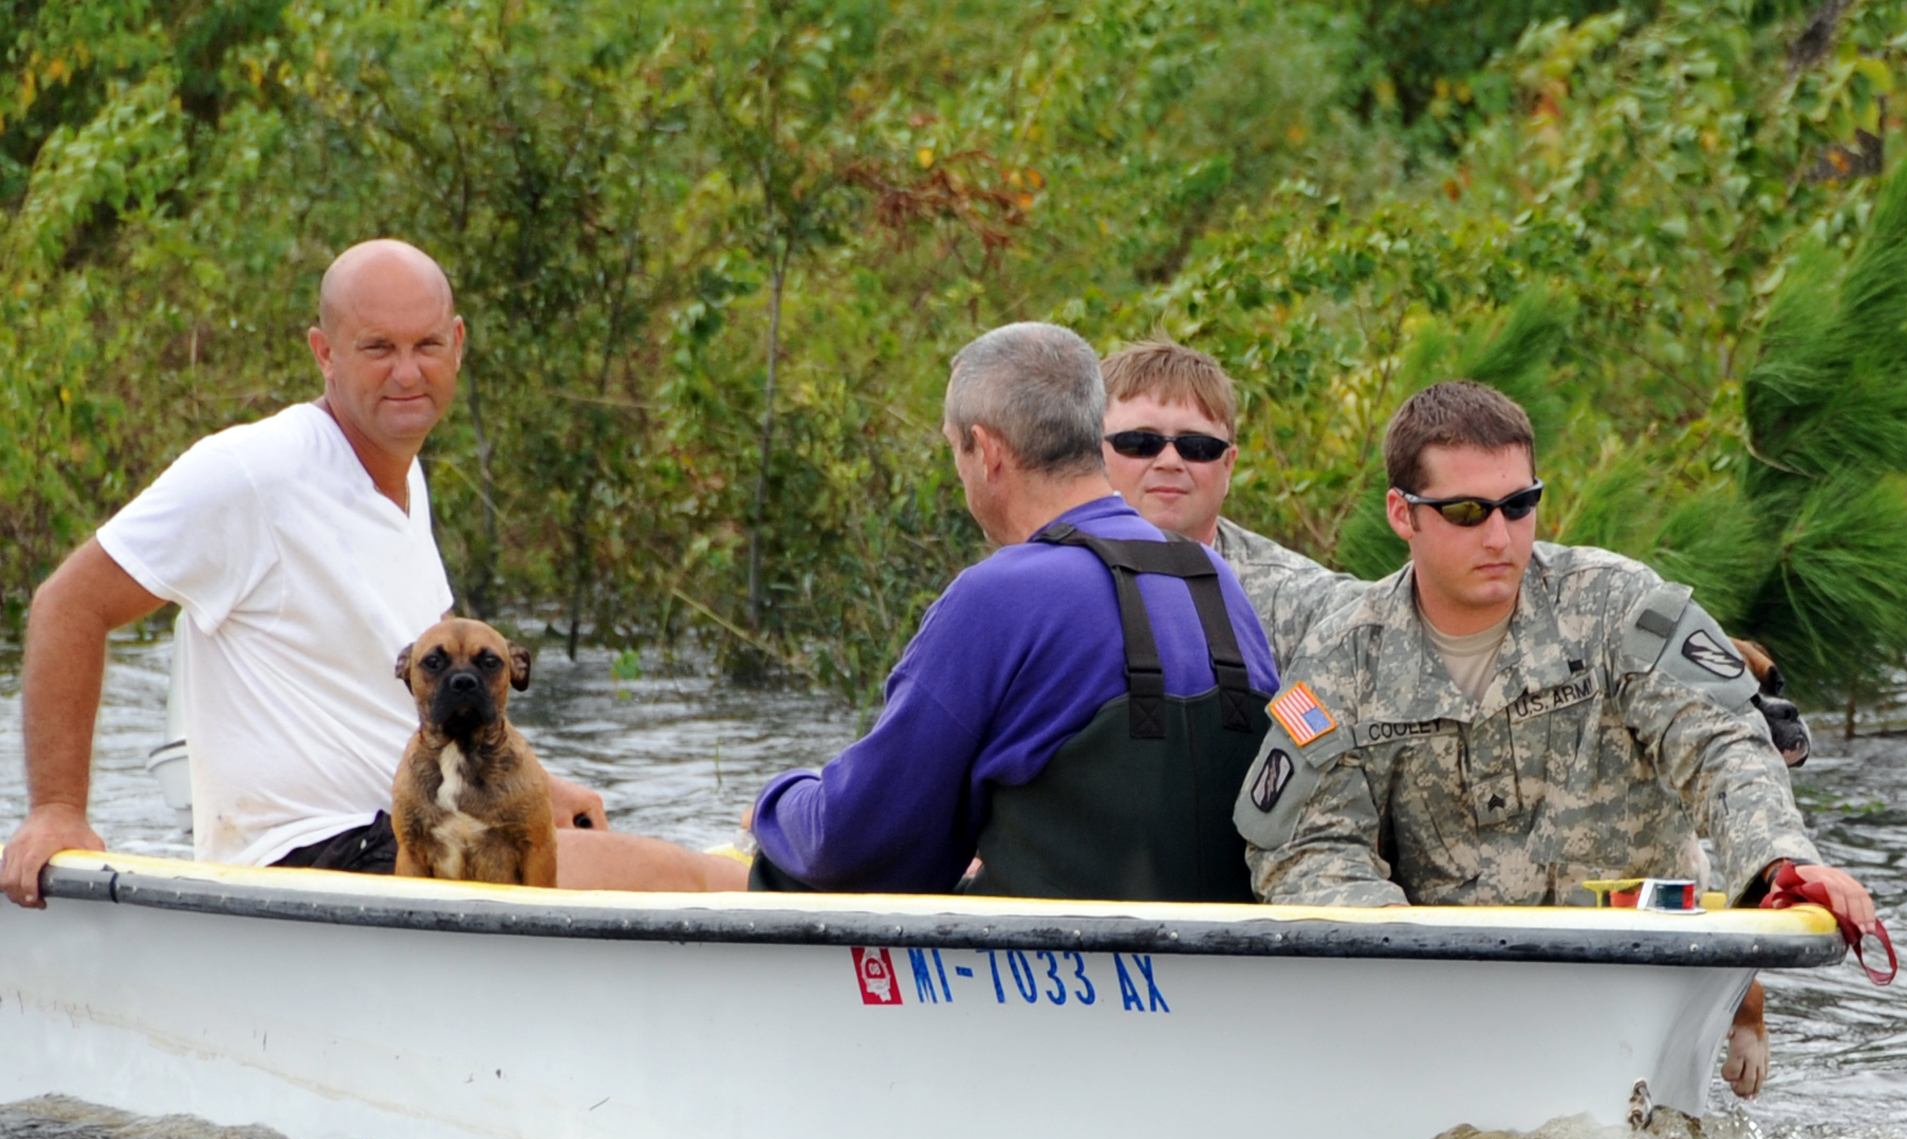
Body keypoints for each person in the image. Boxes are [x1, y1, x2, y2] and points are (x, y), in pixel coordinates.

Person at [2, 239, 741, 908]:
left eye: (426, 345)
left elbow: (409, 697)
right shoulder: (254, 472)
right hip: (315, 858)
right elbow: (69, 602)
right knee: (686, 876)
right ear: (325, 352)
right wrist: (57, 810)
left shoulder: (405, 482)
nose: (408, 372)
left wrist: (528, 788)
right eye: (378, 347)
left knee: (652, 850)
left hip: (411, 822)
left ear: (457, 345)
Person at [1234, 378, 1876, 929]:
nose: (1498, 535)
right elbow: (1307, 844)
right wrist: (1401, 952)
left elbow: (1721, 740)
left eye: (1519, 506)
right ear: (1403, 515)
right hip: (1443, 985)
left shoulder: (1615, 606)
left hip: (1636, 959)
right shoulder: (1342, 657)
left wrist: (1781, 861)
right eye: (1465, 511)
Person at [745, 322, 1279, 900]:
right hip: (1218, 954)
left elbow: (856, 843)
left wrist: (780, 800)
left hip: (1046, 966)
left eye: (957, 450)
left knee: (784, 865)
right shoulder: (1214, 580)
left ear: (988, 450)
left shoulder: (996, 595)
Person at [1099, 340, 1360, 669]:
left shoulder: (1304, 604)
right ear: (1093, 454)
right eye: (1140, 442)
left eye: (1197, 446)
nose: (1169, 461)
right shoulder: (1042, 588)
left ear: (1228, 466)